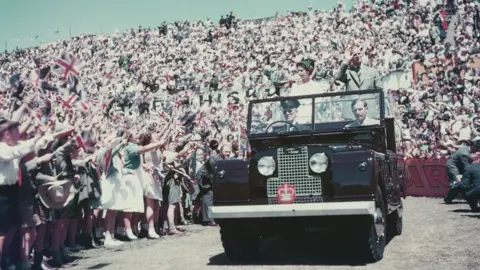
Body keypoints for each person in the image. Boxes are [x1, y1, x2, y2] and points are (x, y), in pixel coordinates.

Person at [444, 138, 480, 204]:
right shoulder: (464, 154)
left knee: (460, 182)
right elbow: (467, 168)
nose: (477, 150)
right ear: (473, 147)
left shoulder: (465, 148)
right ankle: (449, 198)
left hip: (456, 165)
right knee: (457, 182)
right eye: (477, 149)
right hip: (452, 166)